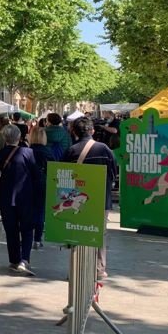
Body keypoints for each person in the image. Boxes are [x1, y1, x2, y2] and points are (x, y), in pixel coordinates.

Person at [66, 116, 118, 280]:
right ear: (92, 131)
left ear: (74, 131)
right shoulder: (104, 150)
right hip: (101, 199)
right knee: (99, 234)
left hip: (77, 200)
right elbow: (113, 173)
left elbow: (64, 176)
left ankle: (76, 270)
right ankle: (99, 269)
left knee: (76, 232)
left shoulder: (71, 151)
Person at [0, 123, 44, 275]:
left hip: (5, 197)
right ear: (20, 137)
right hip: (25, 196)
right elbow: (37, 175)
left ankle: (14, 260)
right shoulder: (27, 152)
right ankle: (24, 259)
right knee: (27, 229)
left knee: (11, 230)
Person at [27, 125, 54, 250]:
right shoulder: (47, 152)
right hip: (43, 183)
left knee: (27, 211)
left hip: (27, 183)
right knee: (40, 212)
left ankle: (26, 237)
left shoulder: (26, 151)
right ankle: (37, 239)